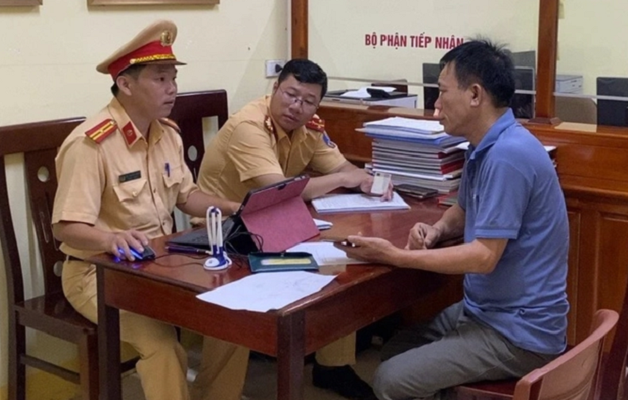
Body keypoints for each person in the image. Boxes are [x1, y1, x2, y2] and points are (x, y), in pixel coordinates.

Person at [335, 39, 570, 400]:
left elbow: (483, 257)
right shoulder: (484, 145)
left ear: (475, 95)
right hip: (486, 312)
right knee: (397, 350)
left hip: (519, 332)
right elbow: (462, 211)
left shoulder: (509, 155)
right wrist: (438, 228)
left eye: (443, 93)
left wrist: (395, 256)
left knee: (390, 380)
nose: (436, 105)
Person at [51, 20, 249, 400]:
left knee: (235, 320)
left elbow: (186, 196)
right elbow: (67, 226)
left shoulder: (166, 134)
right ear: (125, 84)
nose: (172, 88)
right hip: (99, 274)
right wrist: (111, 237)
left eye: (173, 77)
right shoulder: (91, 144)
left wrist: (234, 207)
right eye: (160, 79)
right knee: (163, 348)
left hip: (162, 265)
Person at [196, 58, 385, 400]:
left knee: (341, 261)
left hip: (275, 224)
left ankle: (333, 366)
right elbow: (279, 189)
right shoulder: (249, 126)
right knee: (234, 296)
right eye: (290, 94)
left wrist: (367, 180)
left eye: (308, 100)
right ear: (275, 89)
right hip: (223, 233)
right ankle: (217, 394)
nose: (297, 107)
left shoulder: (310, 126)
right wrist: (344, 178)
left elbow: (339, 165)